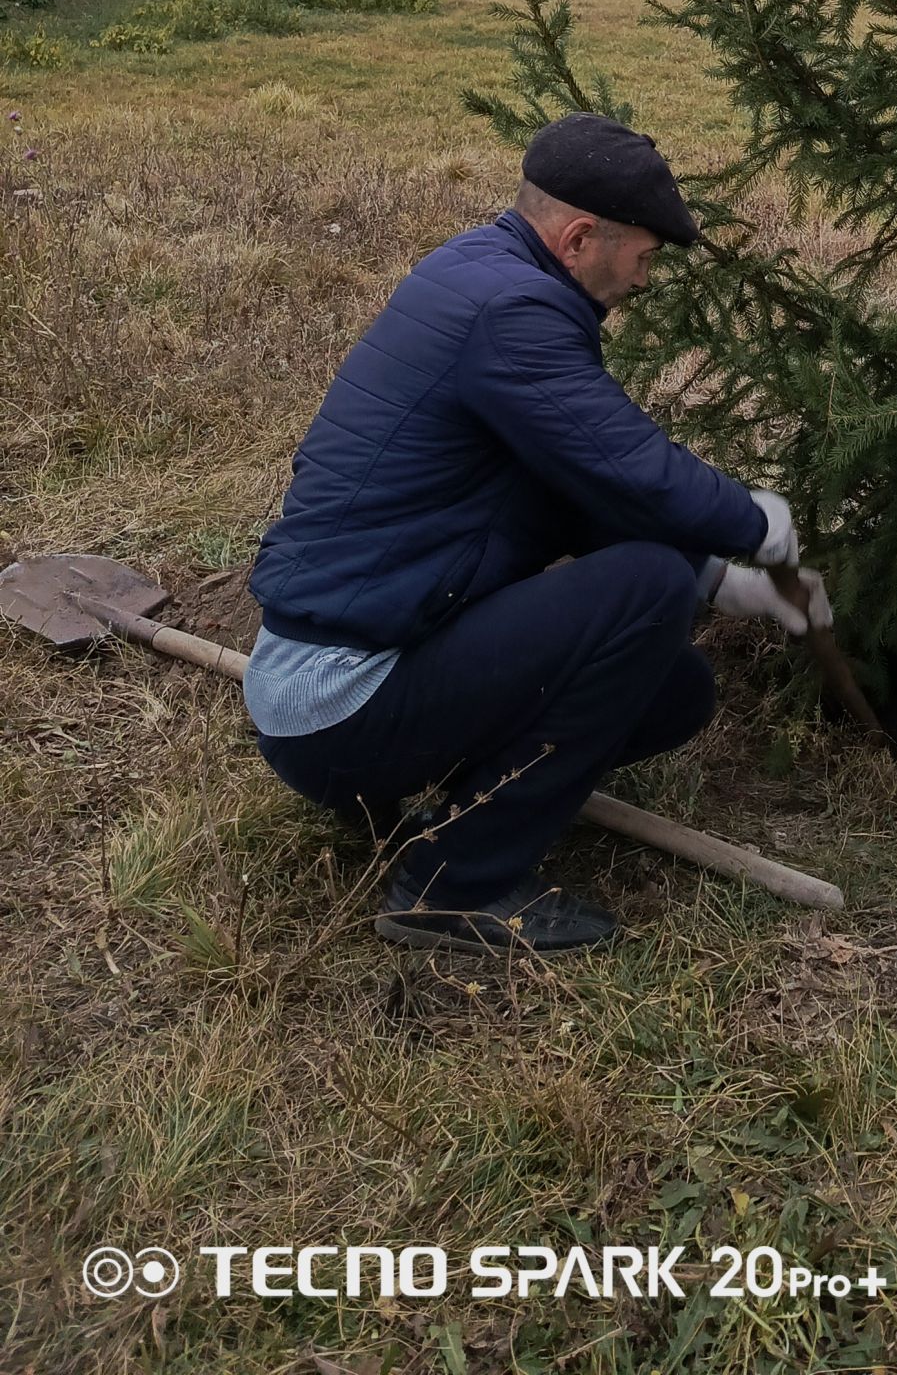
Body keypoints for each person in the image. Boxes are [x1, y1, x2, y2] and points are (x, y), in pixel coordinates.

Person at [244, 111, 825, 953]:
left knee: (674, 693)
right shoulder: (512, 314)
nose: (645, 279)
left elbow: (570, 484)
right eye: (644, 257)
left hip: (368, 662)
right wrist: (755, 523)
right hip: (336, 704)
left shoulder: (478, 271)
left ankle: (455, 802)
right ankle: (452, 887)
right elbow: (628, 466)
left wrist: (721, 582)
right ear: (582, 238)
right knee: (645, 590)